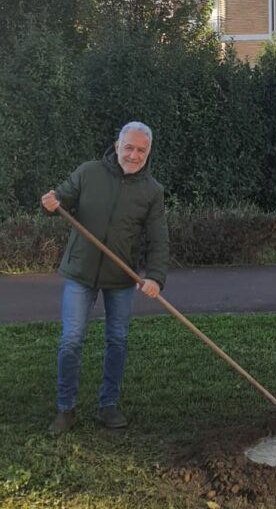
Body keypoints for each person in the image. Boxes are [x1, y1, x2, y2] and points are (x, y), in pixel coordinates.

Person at [41, 121, 169, 436]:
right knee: (71, 339)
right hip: (80, 272)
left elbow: (158, 239)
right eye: (129, 147)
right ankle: (65, 408)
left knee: (117, 340)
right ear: (116, 146)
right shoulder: (89, 172)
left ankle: (108, 405)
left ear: (148, 152)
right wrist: (52, 203)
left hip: (121, 276)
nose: (134, 155)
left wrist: (155, 277)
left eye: (141, 150)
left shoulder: (152, 191)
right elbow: (61, 198)